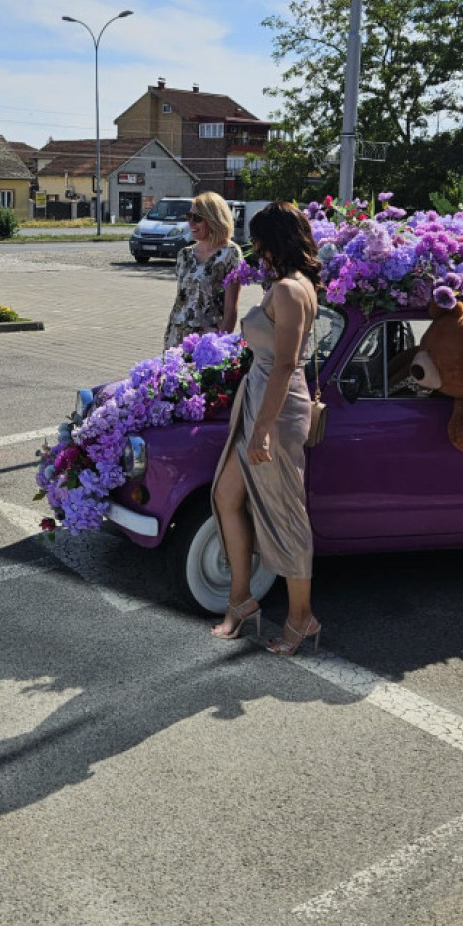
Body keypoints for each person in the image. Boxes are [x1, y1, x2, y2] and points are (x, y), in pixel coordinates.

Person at [209, 201, 321, 656]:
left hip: (273, 408)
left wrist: (263, 430)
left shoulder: (292, 291)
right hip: (258, 399)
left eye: (258, 240)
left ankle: (302, 618)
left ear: (273, 241)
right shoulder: (285, 286)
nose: (253, 249)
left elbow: (287, 365)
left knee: (285, 512)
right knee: (226, 496)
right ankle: (241, 600)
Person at [163, 192, 242, 349]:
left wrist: (219, 345)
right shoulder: (184, 255)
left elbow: (230, 308)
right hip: (177, 337)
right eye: (189, 216)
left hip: (208, 341)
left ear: (214, 219)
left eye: (197, 218)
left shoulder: (230, 254)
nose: (191, 223)